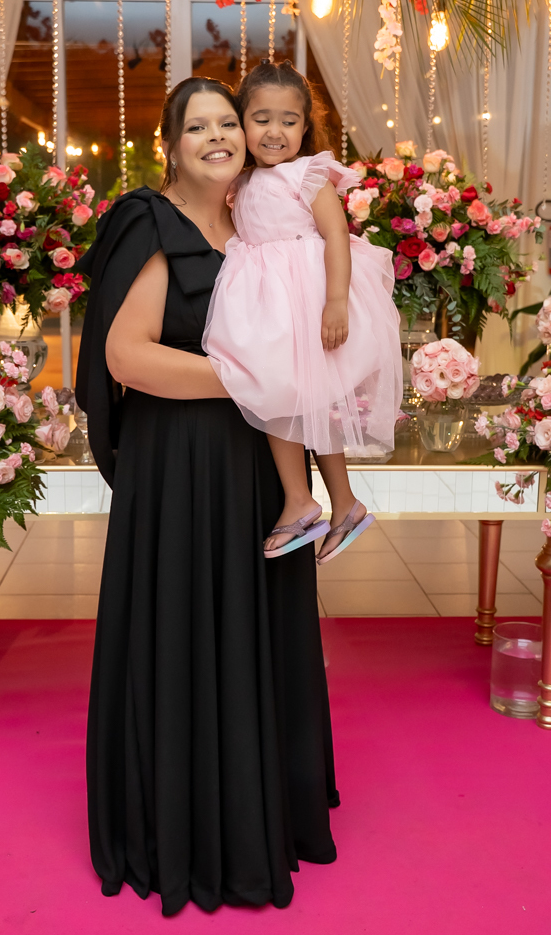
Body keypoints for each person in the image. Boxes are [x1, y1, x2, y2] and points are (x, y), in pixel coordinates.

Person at [74, 76, 339, 917]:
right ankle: (189, 827)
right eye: (199, 127)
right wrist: (255, 377)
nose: (220, 136)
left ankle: (261, 811)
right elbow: (127, 356)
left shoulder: (259, 224)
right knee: (190, 629)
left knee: (256, 633)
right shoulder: (149, 222)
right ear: (170, 144)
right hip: (181, 470)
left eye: (230, 122)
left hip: (258, 468)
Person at [203, 61, 402, 562]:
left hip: (309, 302)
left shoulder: (308, 173)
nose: (275, 131)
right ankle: (325, 502)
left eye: (288, 121)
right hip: (267, 309)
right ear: (241, 123)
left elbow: (336, 235)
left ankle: (325, 501)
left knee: (308, 401)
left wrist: (336, 301)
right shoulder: (239, 182)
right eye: (261, 119)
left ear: (305, 126)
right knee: (284, 397)